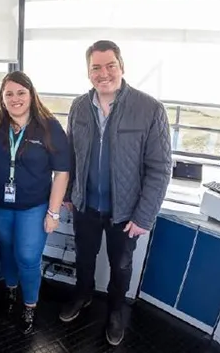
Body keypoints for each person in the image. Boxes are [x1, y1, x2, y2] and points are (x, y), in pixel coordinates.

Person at [59, 40, 172, 346]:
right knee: (84, 258)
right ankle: (82, 296)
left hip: (125, 212)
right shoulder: (79, 106)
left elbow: (160, 169)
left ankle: (116, 311)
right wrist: (69, 193)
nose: (103, 73)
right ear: (88, 72)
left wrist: (144, 217)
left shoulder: (149, 109)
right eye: (96, 67)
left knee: (121, 266)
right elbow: (70, 153)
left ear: (122, 67)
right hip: (85, 206)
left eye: (110, 65)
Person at [0, 71, 70, 334]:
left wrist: (53, 213)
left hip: (33, 208)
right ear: (2, 98)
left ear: (31, 94)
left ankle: (30, 305)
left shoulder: (48, 126)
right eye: (9, 93)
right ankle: (11, 291)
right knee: (8, 251)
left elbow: (62, 172)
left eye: (21, 92)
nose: (15, 98)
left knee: (28, 257)